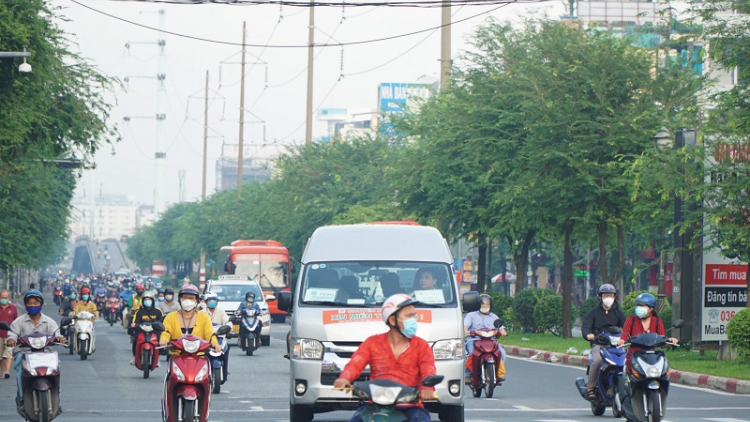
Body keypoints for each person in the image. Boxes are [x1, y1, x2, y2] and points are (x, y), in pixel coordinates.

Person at [333, 294, 436, 422]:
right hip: (374, 405)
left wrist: (426, 388)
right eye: (409, 316)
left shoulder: (421, 346)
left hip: (410, 407)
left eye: (414, 316)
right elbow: (356, 363)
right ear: (393, 321)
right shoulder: (372, 343)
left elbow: (428, 369)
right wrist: (344, 378)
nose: (413, 320)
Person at [5, 290, 65, 404]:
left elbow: (56, 333)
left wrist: (59, 338)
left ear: (41, 304)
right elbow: (12, 333)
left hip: (45, 353)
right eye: (30, 303)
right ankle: (22, 397)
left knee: (56, 369)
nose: (33, 305)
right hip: (24, 352)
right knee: (20, 372)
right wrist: (11, 340)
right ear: (26, 304)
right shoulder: (19, 321)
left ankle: (56, 395)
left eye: (35, 303)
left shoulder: (49, 321)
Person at [581, 284, 626, 399]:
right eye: (606, 295)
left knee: (626, 362)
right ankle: (590, 388)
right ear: (600, 297)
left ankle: (630, 387)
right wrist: (588, 335)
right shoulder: (594, 313)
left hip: (616, 346)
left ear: (615, 297)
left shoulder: (618, 313)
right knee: (596, 361)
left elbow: (627, 328)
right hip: (599, 345)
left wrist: (627, 337)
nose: (608, 298)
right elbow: (586, 326)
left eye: (611, 295)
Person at [617, 293, 678, 370]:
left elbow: (662, 340)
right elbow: (624, 336)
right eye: (637, 305)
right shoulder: (631, 320)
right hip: (634, 356)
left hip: (652, 357)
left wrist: (670, 340)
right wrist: (621, 341)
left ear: (651, 308)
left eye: (642, 306)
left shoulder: (657, 322)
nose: (639, 308)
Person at [159, 285, 220, 353]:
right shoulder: (170, 317)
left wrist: (215, 344)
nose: (188, 301)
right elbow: (166, 332)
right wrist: (164, 340)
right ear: (179, 299)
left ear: (196, 300)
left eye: (191, 298)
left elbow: (210, 334)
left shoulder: (204, 317)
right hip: (176, 356)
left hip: (199, 356)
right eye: (185, 298)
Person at [463, 294, 508, 384]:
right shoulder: (471, 315)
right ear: (479, 305)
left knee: (502, 354)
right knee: (472, 354)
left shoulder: (494, 317)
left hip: (490, 341)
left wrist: (503, 332)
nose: (485, 307)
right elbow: (465, 326)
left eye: (487, 305)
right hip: (474, 340)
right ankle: (468, 374)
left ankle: (496, 374)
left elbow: (501, 328)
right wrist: (466, 331)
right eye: (483, 305)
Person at [202, 292, 230, 382]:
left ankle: (225, 371)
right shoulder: (201, 313)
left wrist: (229, 327)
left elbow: (227, 321)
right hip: (205, 339)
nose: (212, 302)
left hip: (220, 337)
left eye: (214, 300)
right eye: (210, 300)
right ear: (206, 302)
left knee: (225, 350)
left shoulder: (221, 311)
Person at [129, 291, 163, 365]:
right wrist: (134, 325)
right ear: (143, 301)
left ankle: (158, 358)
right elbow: (135, 322)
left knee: (160, 339)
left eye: (149, 299)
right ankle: (134, 356)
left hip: (154, 330)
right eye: (145, 300)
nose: (147, 301)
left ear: (152, 300)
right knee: (135, 340)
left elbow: (162, 321)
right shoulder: (139, 312)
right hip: (142, 330)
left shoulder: (158, 311)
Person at [0, 290, 19, 378]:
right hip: (0, 335)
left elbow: (16, 321)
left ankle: (7, 371)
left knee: (8, 354)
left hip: (10, 335)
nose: (4, 299)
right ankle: (3, 372)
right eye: (2, 297)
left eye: (5, 298)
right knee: (1, 356)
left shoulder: (13, 308)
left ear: (9, 298)